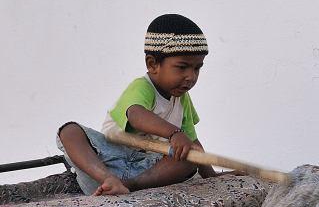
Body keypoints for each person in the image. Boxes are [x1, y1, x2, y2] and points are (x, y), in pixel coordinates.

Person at [57, 14, 219, 196]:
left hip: (147, 171)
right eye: (182, 67)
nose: (191, 76)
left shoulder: (182, 98)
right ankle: (108, 180)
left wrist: (212, 177)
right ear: (153, 64)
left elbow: (192, 142)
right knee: (70, 131)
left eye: (197, 68)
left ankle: (127, 185)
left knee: (192, 155)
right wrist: (174, 133)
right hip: (108, 160)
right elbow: (136, 116)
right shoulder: (142, 87)